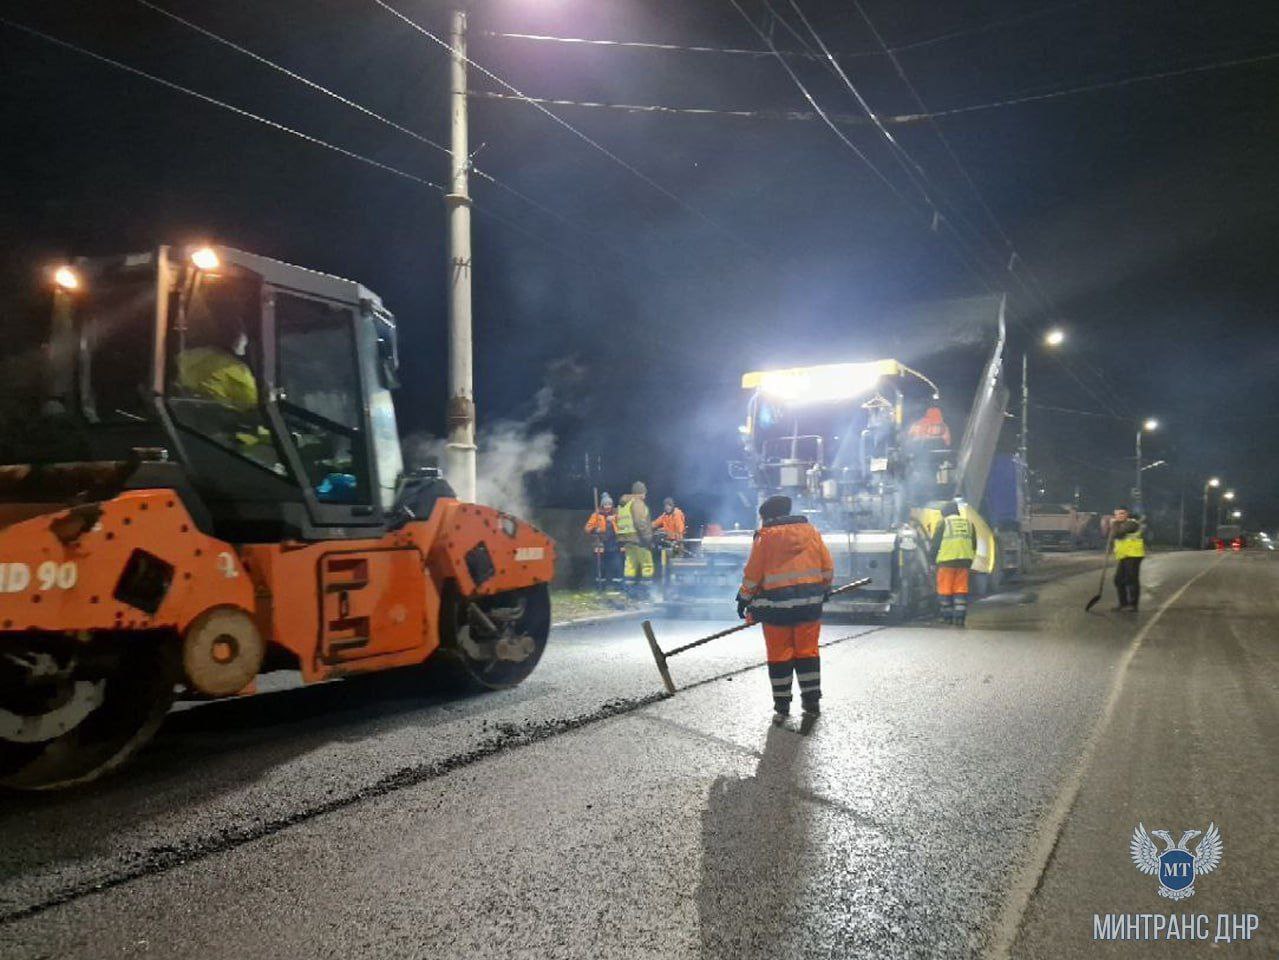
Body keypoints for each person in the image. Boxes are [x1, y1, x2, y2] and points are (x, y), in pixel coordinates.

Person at [735, 495, 834, 722]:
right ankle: (811, 701)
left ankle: (782, 705)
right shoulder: (811, 532)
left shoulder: (765, 538)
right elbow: (827, 565)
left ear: (769, 516)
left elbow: (753, 574)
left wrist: (744, 598)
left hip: (776, 609)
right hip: (808, 606)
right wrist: (824, 588)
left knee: (780, 655)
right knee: (807, 652)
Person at [929, 499, 977, 627]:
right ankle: (960, 618)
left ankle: (947, 617)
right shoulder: (968, 524)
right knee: (960, 590)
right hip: (965, 563)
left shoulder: (944, 523)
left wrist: (931, 561)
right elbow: (974, 544)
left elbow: (935, 545)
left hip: (947, 562)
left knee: (945, 590)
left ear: (945, 513)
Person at [616, 481, 654, 596]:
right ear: (641, 493)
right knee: (647, 564)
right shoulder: (637, 503)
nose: (645, 496)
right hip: (639, 540)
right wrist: (648, 539)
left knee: (630, 565)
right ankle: (645, 594)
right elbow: (640, 523)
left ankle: (629, 593)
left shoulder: (624, 504)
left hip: (626, 539)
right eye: (644, 493)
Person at [1110, 506, 1146, 612]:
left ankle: (1133, 605)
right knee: (1118, 580)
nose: (1120, 516)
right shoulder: (1119, 524)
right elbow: (1114, 536)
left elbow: (1119, 534)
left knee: (1131, 579)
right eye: (1117, 514)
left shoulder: (1132, 524)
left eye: (1122, 513)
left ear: (1127, 514)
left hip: (1134, 555)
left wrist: (1113, 525)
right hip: (1124, 556)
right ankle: (1123, 603)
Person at [584, 493, 623, 589]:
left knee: (617, 565)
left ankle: (616, 586)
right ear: (602, 505)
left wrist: (615, 520)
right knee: (601, 567)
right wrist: (595, 530)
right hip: (601, 544)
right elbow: (587, 528)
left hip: (615, 544)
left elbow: (622, 526)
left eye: (609, 504)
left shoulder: (617, 514)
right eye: (606, 504)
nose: (607, 507)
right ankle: (601, 587)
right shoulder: (596, 515)